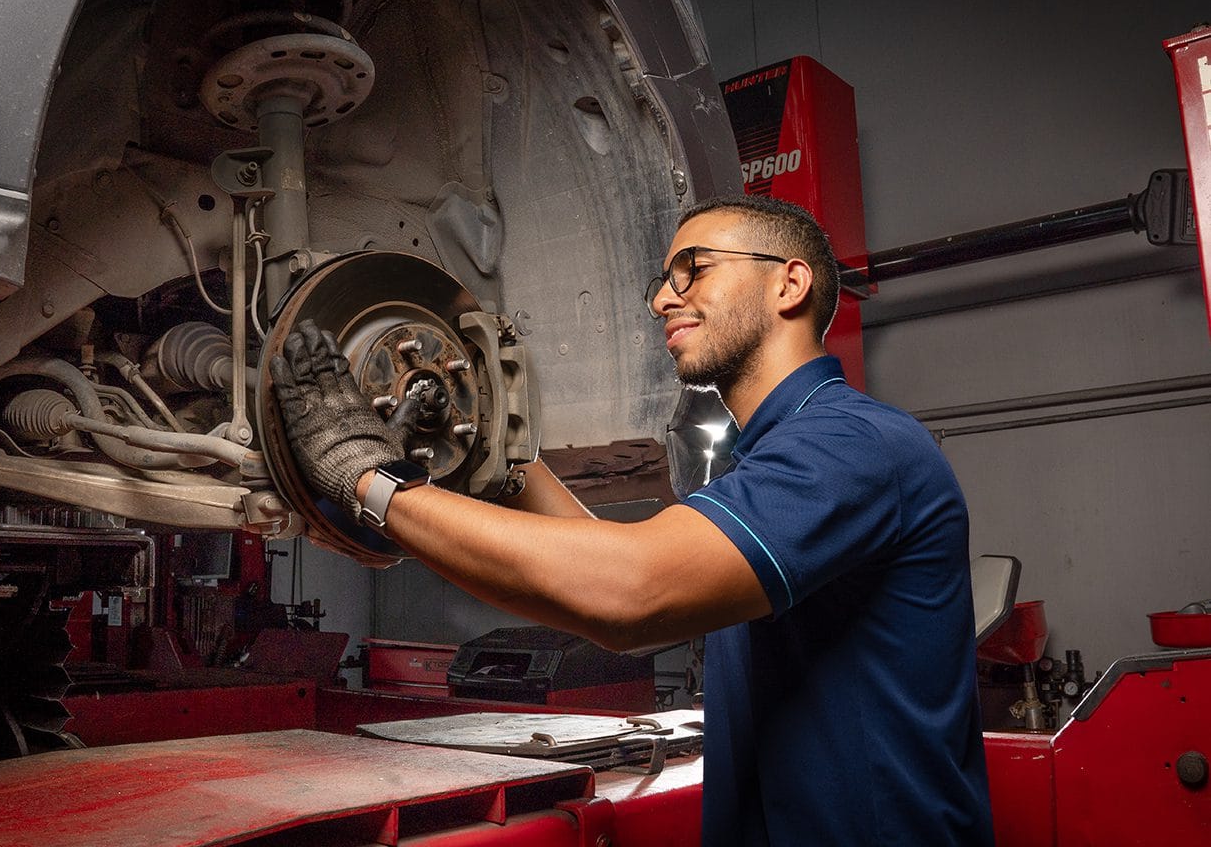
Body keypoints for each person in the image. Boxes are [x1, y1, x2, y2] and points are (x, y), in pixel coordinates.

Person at [270, 194, 994, 846]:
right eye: (662, 279)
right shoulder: (785, 457)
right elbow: (607, 598)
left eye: (693, 270)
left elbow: (632, 592)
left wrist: (366, 479)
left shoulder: (850, 446)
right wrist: (499, 454)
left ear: (789, 283)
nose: (660, 299)